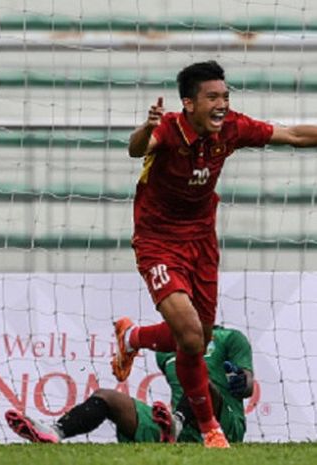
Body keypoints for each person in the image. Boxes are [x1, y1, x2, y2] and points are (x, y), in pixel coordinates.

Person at [112, 60, 317, 448]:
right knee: (189, 335)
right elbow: (136, 148)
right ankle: (209, 428)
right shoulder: (170, 129)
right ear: (189, 103)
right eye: (212, 97)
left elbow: (290, 134)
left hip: (202, 242)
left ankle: (133, 336)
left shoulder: (233, 128)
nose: (222, 103)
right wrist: (147, 126)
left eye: (225, 95)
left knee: (200, 339)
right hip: (157, 242)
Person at [6, 326, 254, 445]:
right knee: (107, 397)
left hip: (223, 426)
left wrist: (241, 382)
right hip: (176, 429)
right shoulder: (165, 349)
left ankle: (175, 423)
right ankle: (54, 433)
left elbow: (249, 384)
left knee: (199, 381)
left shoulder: (229, 338)